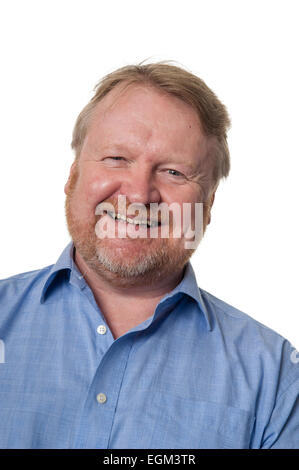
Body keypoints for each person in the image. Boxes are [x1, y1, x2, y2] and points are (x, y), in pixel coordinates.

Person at [0, 62, 298, 449]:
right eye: (116, 158)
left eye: (174, 172)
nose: (140, 195)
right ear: (72, 177)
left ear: (207, 207)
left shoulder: (274, 377)